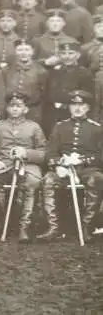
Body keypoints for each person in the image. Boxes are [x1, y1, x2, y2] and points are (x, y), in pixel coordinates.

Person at [37, 90, 103, 243]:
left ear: (88, 108)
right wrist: (58, 164)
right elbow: (50, 153)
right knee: (48, 180)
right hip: (63, 169)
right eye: (74, 104)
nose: (77, 108)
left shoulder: (97, 129)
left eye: (82, 104)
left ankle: (87, 227)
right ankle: (53, 228)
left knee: (97, 179)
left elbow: (101, 156)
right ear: (69, 107)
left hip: (88, 169)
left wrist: (82, 160)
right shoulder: (60, 127)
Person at [0, 94, 46, 242]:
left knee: (33, 182)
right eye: (12, 106)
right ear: (7, 108)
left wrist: (26, 153)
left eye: (19, 106)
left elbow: (43, 152)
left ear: (26, 109)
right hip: (3, 164)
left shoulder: (34, 127)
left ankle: (24, 227)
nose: (15, 109)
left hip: (27, 165)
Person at [43, 41, 94, 134]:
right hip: (52, 113)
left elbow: (88, 97)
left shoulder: (84, 73)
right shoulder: (54, 71)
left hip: (72, 113)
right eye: (63, 53)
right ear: (59, 55)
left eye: (71, 53)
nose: (67, 56)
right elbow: (47, 93)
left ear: (78, 55)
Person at [3, 39, 48, 125]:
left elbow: (44, 94)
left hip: (33, 111)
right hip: (11, 110)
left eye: (27, 50)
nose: (23, 53)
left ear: (32, 52)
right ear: (15, 51)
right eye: (20, 50)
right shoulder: (7, 70)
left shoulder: (41, 71)